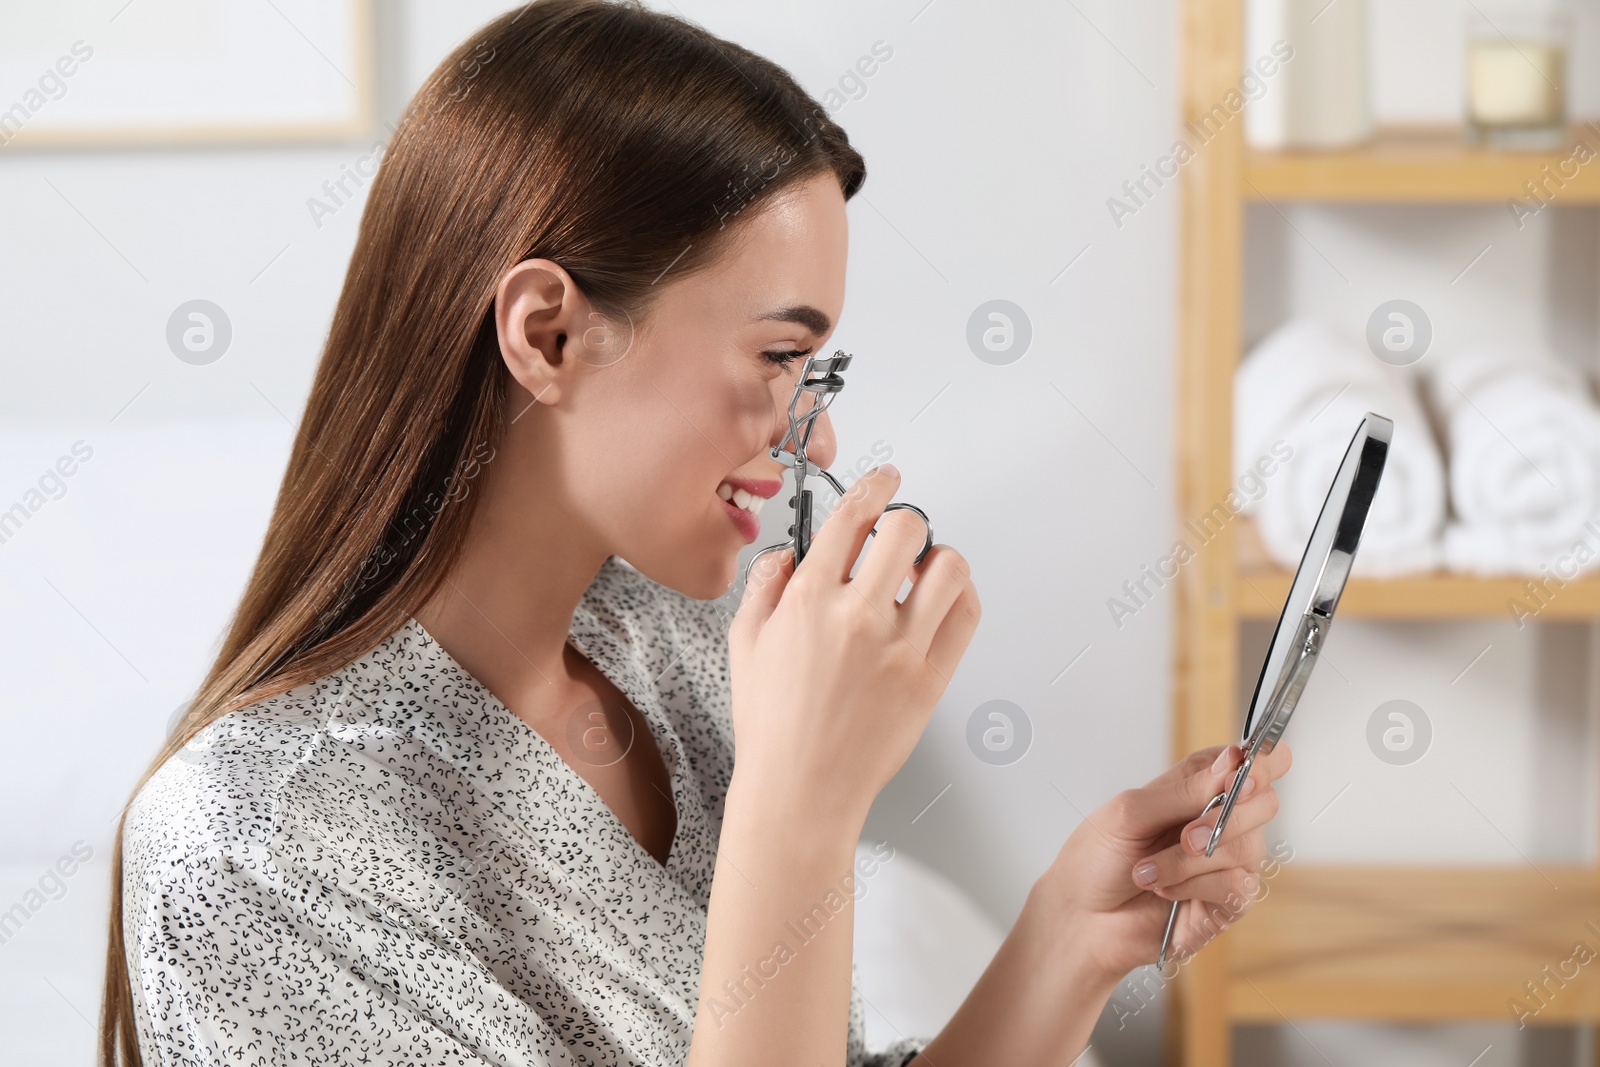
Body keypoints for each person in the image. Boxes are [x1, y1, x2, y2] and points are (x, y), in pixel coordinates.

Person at [100, 2, 1290, 1064]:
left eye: (812, 370)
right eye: (777, 357)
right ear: (549, 334)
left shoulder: (682, 642)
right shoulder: (249, 846)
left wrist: (1067, 939)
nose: (810, 442)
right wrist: (800, 809)